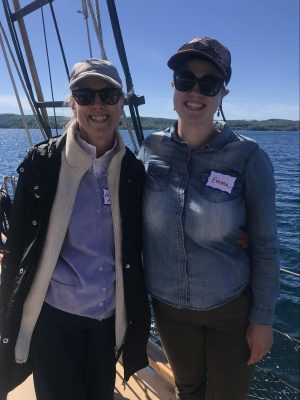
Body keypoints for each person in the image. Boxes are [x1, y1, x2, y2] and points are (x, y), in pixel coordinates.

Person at [0, 58, 150, 400]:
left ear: (120, 103)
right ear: (73, 103)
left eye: (109, 95)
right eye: (85, 95)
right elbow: (17, 250)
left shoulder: (133, 172)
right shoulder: (42, 164)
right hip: (54, 318)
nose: (98, 105)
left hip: (109, 320)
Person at [139, 37, 280, 400]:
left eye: (209, 83)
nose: (195, 91)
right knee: (188, 390)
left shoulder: (248, 157)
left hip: (229, 311)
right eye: (185, 79)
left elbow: (265, 245)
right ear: (173, 87)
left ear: (222, 93)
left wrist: (262, 319)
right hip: (169, 310)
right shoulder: (150, 150)